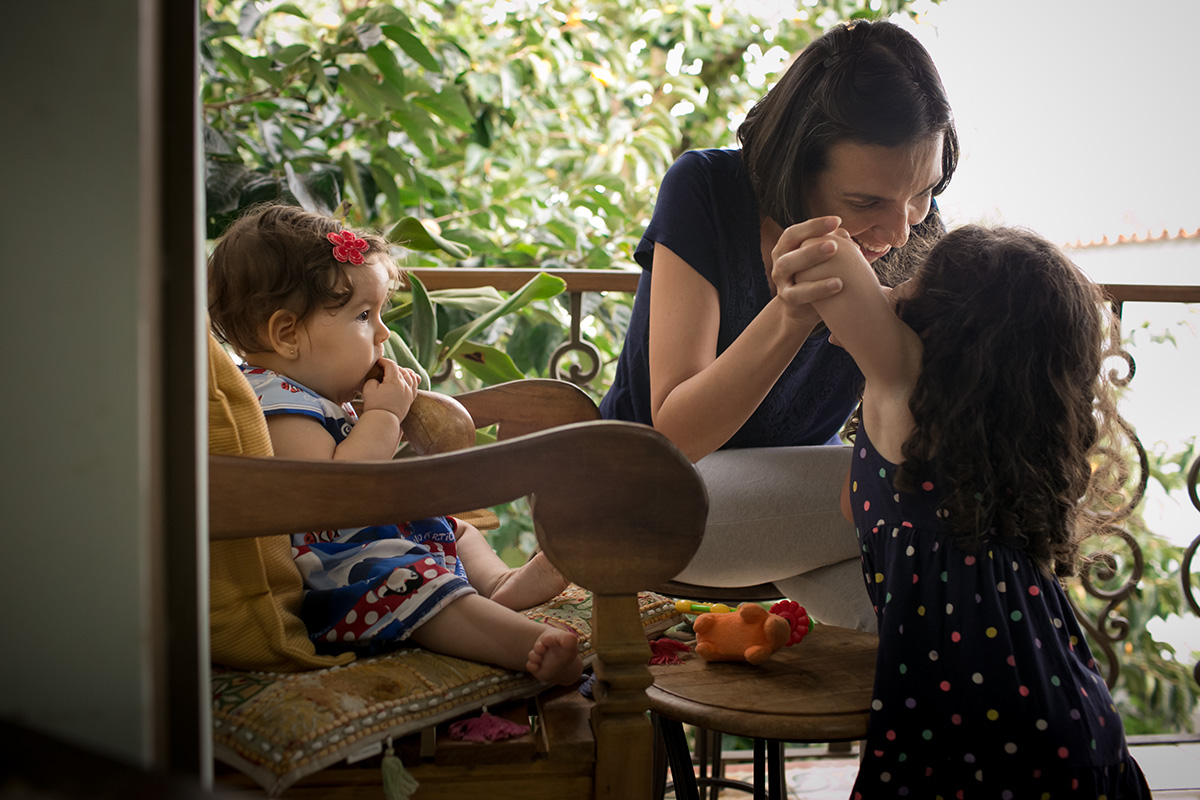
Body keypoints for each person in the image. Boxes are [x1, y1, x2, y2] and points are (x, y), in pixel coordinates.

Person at [600, 19, 958, 630]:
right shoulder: (707, 189)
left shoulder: (907, 231)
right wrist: (791, 314)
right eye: (867, 202)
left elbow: (914, 416)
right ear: (798, 167)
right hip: (648, 495)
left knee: (926, 627)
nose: (900, 229)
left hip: (794, 509)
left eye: (922, 192)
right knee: (924, 493)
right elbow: (677, 432)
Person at [787, 220, 1150, 796]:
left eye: (917, 280)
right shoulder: (994, 444)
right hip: (1068, 726)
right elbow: (856, 509)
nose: (899, 283)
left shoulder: (905, 391)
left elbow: (826, 260)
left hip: (978, 744)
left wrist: (879, 307)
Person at [208, 204, 582, 685]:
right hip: (339, 574)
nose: (384, 333)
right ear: (286, 333)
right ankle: (522, 642)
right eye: (365, 315)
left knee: (457, 531)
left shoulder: (307, 395)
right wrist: (383, 416)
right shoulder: (274, 402)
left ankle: (498, 584)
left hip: (366, 543)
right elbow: (335, 494)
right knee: (414, 586)